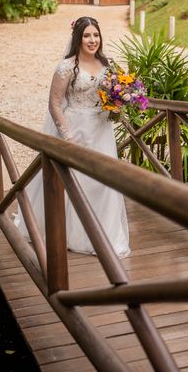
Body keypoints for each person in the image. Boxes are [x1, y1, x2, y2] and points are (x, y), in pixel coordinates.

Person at [13, 16, 130, 258]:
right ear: (77, 38)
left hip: (101, 131)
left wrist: (119, 105)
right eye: (87, 35)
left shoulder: (107, 65)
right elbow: (54, 104)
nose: (92, 40)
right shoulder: (66, 67)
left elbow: (111, 98)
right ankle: (70, 235)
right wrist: (66, 136)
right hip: (74, 129)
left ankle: (105, 236)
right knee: (73, 181)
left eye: (96, 35)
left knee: (103, 182)